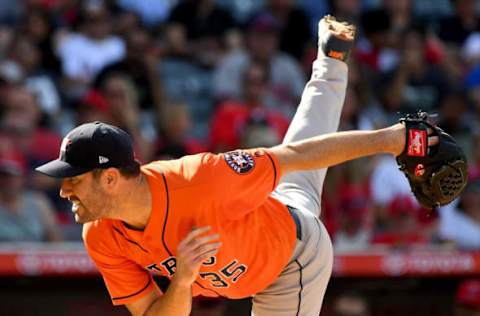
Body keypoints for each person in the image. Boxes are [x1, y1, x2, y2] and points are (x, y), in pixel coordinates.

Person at [35, 16, 434, 315]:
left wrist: (393, 141)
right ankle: (331, 61)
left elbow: (295, 157)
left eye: (73, 179)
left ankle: (373, 110)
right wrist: (182, 282)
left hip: (291, 260)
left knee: (297, 158)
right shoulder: (100, 235)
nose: (64, 190)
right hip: (269, 212)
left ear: (109, 178)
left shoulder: (199, 179)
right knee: (300, 157)